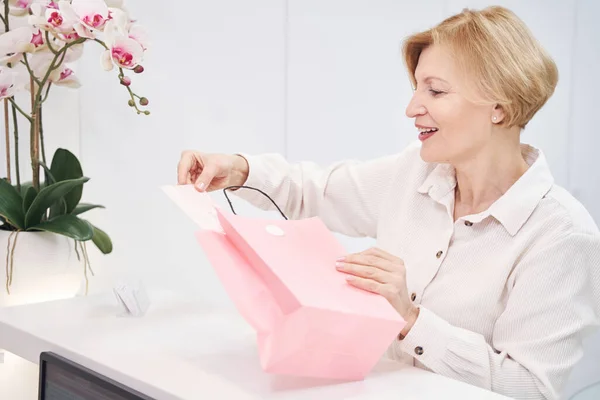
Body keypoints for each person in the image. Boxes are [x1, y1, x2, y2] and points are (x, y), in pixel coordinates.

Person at [177, 6, 600, 400]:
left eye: (435, 91)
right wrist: (239, 169)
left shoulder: (560, 235)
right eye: (416, 88)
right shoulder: (413, 174)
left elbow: (531, 388)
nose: (412, 108)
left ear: (500, 108)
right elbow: (316, 190)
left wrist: (411, 318)